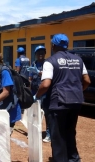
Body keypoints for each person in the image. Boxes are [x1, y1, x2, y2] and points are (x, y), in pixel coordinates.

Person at [35, 34, 90, 162]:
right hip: (76, 101)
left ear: (53, 45)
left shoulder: (50, 61)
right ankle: (73, 159)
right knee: (70, 131)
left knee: (58, 135)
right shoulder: (78, 59)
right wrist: (78, 90)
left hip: (58, 102)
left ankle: (60, 159)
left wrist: (37, 95)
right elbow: (87, 80)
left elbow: (46, 84)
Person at [27, 45, 50, 142]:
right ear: (35, 54)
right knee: (34, 113)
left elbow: (48, 77)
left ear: (45, 53)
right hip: (34, 91)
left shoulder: (48, 64)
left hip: (45, 92)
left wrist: (39, 72)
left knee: (47, 114)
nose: (40, 54)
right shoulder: (34, 63)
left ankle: (49, 134)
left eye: (42, 52)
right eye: (38, 52)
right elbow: (30, 78)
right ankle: (34, 132)